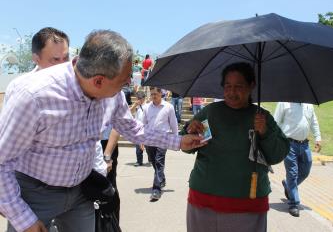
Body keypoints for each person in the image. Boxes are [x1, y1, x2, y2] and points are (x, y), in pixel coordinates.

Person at [0, 30, 205, 232]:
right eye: (124, 81)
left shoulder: (111, 94)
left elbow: (133, 129)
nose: (129, 85)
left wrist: (178, 141)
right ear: (98, 81)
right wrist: (22, 218)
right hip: (35, 194)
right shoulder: (33, 96)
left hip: (82, 191)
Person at [182, 62, 289, 232]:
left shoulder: (262, 117)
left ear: (251, 86)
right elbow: (186, 146)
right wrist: (191, 130)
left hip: (248, 202)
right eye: (227, 86)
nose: (232, 92)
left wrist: (265, 133)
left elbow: (278, 155)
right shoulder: (210, 112)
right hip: (204, 199)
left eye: (239, 86)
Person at [274, 102, 322, 217]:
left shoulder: (308, 104)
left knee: (305, 171)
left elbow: (314, 121)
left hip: (305, 145)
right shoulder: (284, 103)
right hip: (289, 144)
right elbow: (275, 122)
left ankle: (288, 185)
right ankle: (293, 204)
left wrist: (318, 137)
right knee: (292, 174)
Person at [143, 87, 178, 201]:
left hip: (163, 138)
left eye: (155, 94)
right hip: (150, 139)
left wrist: (176, 137)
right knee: (153, 161)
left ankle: (156, 190)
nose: (153, 96)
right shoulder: (146, 107)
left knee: (159, 162)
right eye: (152, 94)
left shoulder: (169, 107)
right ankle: (161, 178)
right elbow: (143, 124)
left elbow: (173, 123)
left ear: (161, 94)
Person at [130, 91, 146, 166]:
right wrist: (135, 105)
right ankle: (139, 161)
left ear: (143, 99)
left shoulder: (147, 106)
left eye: (139, 99)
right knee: (138, 146)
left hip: (146, 128)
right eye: (137, 99)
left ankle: (151, 158)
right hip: (137, 129)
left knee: (148, 147)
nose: (138, 100)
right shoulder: (136, 106)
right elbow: (129, 112)